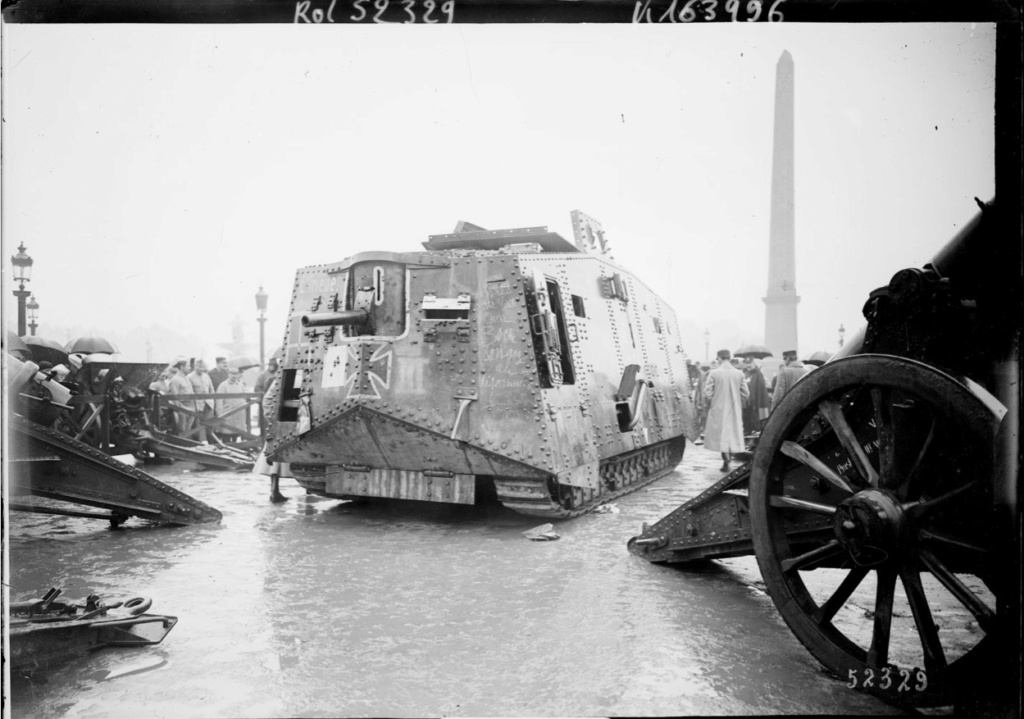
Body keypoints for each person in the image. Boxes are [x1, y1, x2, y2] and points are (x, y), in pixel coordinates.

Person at [703, 349, 749, 471]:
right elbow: (746, 393)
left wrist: (714, 401)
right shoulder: (739, 374)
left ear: (719, 358)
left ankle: (725, 459)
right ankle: (729, 457)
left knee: (721, 434)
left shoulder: (714, 373)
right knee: (732, 433)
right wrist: (738, 401)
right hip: (734, 408)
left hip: (718, 408)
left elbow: (707, 393)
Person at [215, 368, 248, 441]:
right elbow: (219, 401)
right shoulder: (223, 385)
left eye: (235, 374)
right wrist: (220, 414)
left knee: (236, 433)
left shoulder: (240, 385)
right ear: (228, 374)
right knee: (226, 433)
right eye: (232, 374)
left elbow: (244, 398)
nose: (234, 376)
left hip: (238, 413)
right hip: (227, 413)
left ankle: (236, 446)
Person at [187, 360, 216, 442]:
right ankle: (202, 441)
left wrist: (212, 400)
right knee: (199, 424)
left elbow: (211, 389)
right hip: (198, 404)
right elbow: (190, 392)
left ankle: (211, 440)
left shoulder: (207, 376)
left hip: (208, 403)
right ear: (195, 366)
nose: (201, 369)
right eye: (199, 367)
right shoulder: (189, 377)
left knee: (210, 423)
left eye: (203, 367)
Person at [742, 358, 771, 436]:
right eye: (747, 363)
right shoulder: (745, 373)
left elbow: (760, 389)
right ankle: (747, 432)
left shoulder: (758, 374)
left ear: (753, 364)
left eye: (750, 363)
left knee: (755, 419)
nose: (748, 365)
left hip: (755, 401)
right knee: (746, 418)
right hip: (746, 402)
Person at [167, 361, 196, 437]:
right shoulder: (175, 380)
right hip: (182, 410)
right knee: (181, 432)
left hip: (191, 409)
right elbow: (174, 397)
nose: (190, 368)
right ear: (182, 367)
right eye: (188, 366)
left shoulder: (186, 379)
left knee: (188, 430)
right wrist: (180, 410)